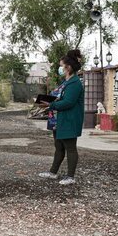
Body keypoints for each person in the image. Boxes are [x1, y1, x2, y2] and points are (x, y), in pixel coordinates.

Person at [39, 50, 84, 185]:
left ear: (68, 67)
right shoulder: (66, 82)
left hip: (68, 120)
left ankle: (70, 177)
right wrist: (46, 100)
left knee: (70, 148)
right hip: (58, 120)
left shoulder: (75, 83)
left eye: (61, 65)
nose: (60, 68)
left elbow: (68, 102)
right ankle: (53, 172)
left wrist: (51, 104)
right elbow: (59, 97)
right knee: (59, 147)